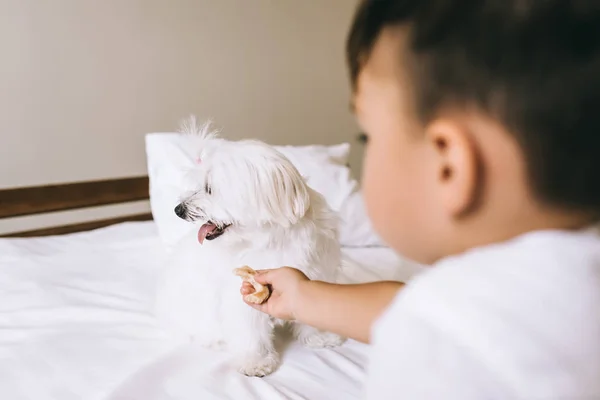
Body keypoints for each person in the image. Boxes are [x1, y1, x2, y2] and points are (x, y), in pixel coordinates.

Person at [241, 0, 600, 398]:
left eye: (369, 137)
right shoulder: (562, 284)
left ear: (449, 166)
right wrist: (304, 297)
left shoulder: (436, 344)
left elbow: (433, 321)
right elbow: (418, 308)